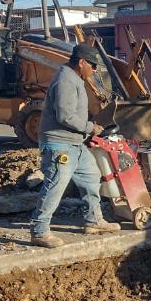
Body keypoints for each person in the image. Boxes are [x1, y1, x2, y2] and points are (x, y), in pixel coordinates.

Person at [30, 43, 120, 248]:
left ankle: (94, 221)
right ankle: (39, 231)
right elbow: (65, 116)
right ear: (81, 62)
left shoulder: (75, 78)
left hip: (75, 143)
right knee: (55, 185)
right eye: (93, 65)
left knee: (91, 177)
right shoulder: (65, 81)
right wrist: (91, 128)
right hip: (60, 144)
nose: (95, 70)